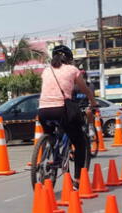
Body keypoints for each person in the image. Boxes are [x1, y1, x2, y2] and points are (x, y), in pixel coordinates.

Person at [38, 45, 97, 187]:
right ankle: (77, 179)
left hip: (43, 111)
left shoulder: (46, 71)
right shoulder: (73, 70)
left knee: (51, 135)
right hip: (62, 110)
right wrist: (93, 103)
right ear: (69, 59)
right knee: (79, 142)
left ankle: (52, 156)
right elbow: (86, 90)